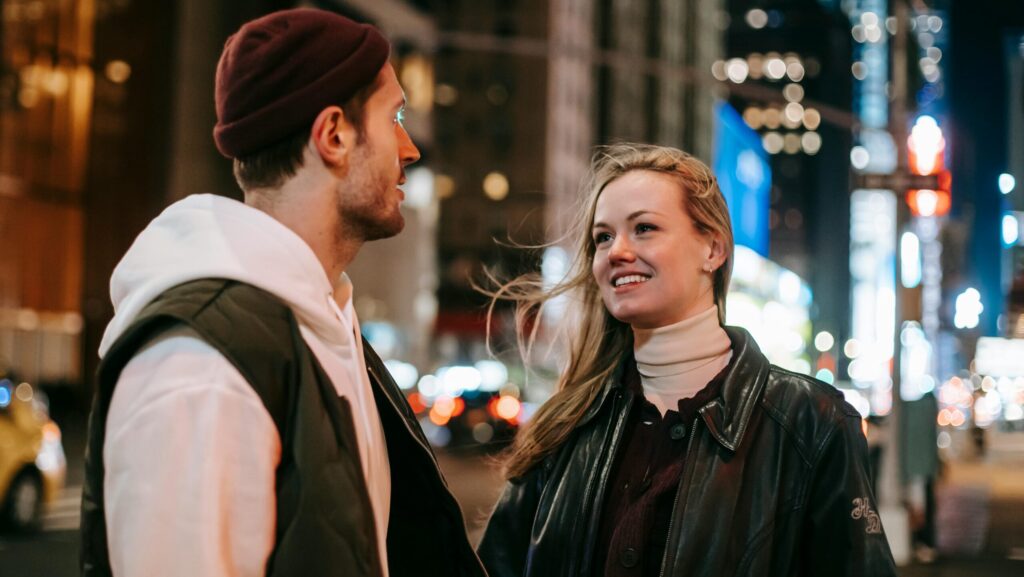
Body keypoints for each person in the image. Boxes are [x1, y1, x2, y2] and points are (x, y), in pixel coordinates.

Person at [80, 9, 485, 577]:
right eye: (394, 117)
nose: (410, 148)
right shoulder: (201, 363)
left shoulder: (321, 322)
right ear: (334, 136)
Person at [477, 143, 897, 577]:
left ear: (713, 249)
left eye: (644, 228)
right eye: (603, 237)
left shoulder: (813, 422)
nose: (617, 251)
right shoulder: (565, 425)